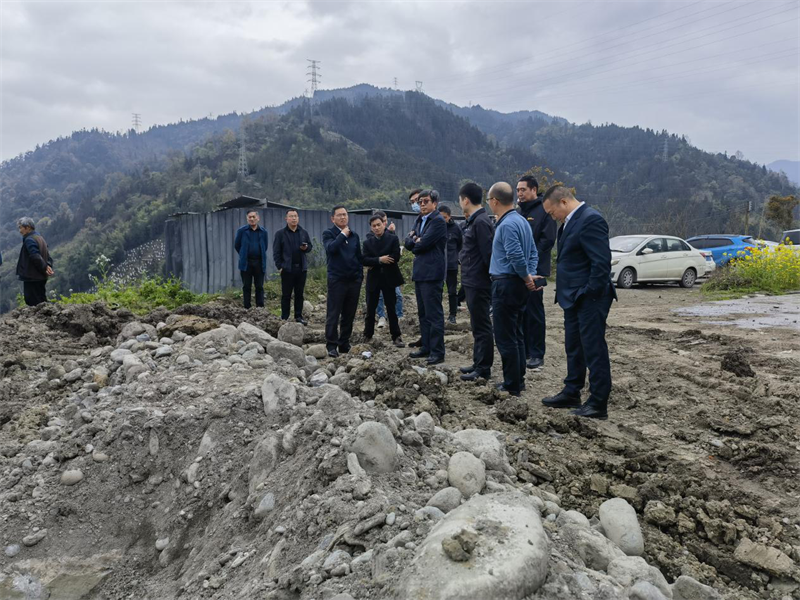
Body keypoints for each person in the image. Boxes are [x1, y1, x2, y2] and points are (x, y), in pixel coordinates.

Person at [538, 185, 616, 420]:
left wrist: (588, 293)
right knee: (574, 347)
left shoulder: (591, 219)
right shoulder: (568, 223)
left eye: (552, 212)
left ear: (563, 202)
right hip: (572, 298)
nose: (552, 217)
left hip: (589, 299)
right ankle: (572, 391)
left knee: (593, 348)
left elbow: (601, 264)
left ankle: (598, 402)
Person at [486, 182, 538, 397]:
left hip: (506, 284)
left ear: (494, 201)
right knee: (517, 334)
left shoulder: (506, 225)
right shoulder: (522, 221)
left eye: (489, 200)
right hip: (518, 285)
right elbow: (533, 252)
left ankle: (512, 384)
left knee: (505, 336)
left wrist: (526, 277)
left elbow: (515, 255)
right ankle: (519, 379)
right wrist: (530, 276)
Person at [517, 176, 558, 370]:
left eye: (523, 190)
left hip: (536, 270)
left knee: (534, 312)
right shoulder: (519, 212)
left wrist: (530, 260)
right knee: (521, 311)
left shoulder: (544, 210)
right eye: (518, 190)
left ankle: (537, 353)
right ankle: (524, 350)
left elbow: (547, 240)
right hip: (520, 271)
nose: (520, 193)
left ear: (534, 190)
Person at [457, 183, 495, 382]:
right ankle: (477, 362)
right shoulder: (474, 221)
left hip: (479, 282)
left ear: (465, 200)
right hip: (472, 281)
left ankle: (483, 368)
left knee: (482, 325)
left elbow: (488, 255)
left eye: (460, 199)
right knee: (476, 324)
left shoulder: (480, 222)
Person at [404, 189, 447, 365]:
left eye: (425, 201)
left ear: (434, 203)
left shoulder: (437, 221)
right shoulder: (419, 219)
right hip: (420, 272)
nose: (422, 204)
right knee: (423, 313)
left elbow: (423, 244)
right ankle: (426, 347)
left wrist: (416, 240)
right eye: (420, 201)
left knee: (433, 314)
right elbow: (408, 243)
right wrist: (415, 240)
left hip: (432, 273)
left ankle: (437, 351)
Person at [323, 205, 364, 358]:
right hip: (337, 280)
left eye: (345, 214)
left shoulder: (354, 236)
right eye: (339, 215)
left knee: (349, 314)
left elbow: (358, 257)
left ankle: (344, 343)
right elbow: (331, 249)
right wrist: (342, 235)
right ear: (332, 218)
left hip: (353, 280)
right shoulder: (328, 234)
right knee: (333, 313)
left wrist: (359, 276)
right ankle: (331, 345)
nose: (343, 217)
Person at [362, 215, 405, 347]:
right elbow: (364, 260)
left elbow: (395, 256)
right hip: (373, 279)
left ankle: (396, 336)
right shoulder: (367, 243)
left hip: (389, 278)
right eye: (374, 226)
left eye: (378, 225)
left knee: (391, 308)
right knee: (370, 309)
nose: (376, 228)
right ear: (371, 228)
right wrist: (380, 259)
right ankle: (367, 335)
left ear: (383, 224)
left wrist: (374, 261)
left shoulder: (392, 239)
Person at [272, 209, 313, 325]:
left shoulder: (303, 232)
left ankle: (298, 316)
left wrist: (306, 248)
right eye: (291, 216)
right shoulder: (280, 234)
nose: (294, 218)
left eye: (295, 216)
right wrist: (279, 266)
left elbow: (310, 247)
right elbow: (276, 252)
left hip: (301, 268)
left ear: (298, 218)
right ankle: (284, 317)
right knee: (286, 295)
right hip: (287, 269)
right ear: (286, 219)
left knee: (299, 294)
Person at [372, 211, 404, 327]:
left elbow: (395, 254)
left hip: (391, 272)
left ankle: (399, 316)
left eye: (385, 221)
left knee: (398, 295)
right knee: (380, 296)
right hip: (378, 272)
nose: (384, 223)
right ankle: (381, 316)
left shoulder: (392, 236)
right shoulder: (372, 236)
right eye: (382, 221)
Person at [234, 210, 269, 309]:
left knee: (259, 286)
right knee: (246, 286)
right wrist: (243, 254)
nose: (252, 219)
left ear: (258, 218)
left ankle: (260, 307)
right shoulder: (242, 231)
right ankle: (247, 307)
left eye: (254, 217)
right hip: (246, 262)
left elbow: (265, 246)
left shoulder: (263, 232)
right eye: (250, 217)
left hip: (259, 262)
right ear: (247, 218)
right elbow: (237, 245)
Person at [15, 217, 54, 306]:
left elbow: (35, 256)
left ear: (28, 227)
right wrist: (48, 266)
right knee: (41, 299)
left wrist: (45, 267)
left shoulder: (29, 240)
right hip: (41, 276)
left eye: (21, 228)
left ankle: (44, 314)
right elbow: (48, 256)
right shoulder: (40, 238)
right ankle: (48, 312)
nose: (20, 231)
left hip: (32, 277)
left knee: (32, 300)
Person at [438, 204, 463, 324]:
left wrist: (454, 256)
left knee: (452, 291)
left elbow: (460, 244)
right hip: (438, 264)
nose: (442, 220)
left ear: (449, 217)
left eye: (444, 217)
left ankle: (453, 314)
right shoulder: (435, 227)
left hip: (451, 264)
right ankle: (437, 314)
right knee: (437, 290)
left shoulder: (456, 228)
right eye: (440, 217)